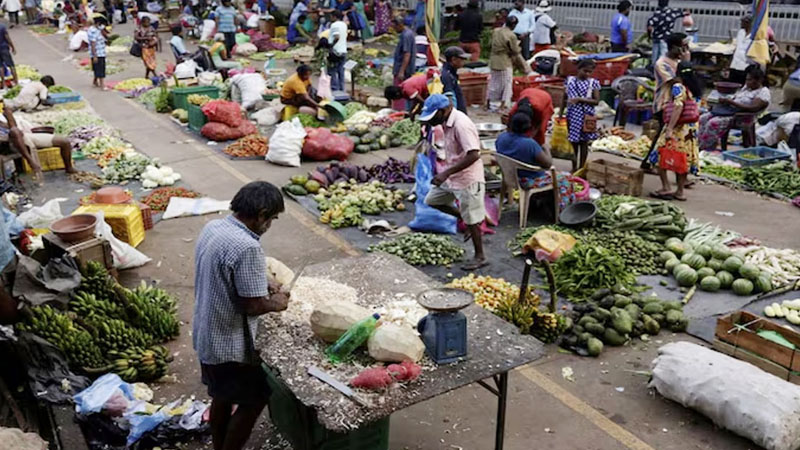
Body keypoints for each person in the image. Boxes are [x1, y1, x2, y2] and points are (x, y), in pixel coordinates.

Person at [193, 181, 289, 450]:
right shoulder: (247, 247)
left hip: (206, 333)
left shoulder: (214, 227)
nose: (269, 225)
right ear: (261, 213)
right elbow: (252, 306)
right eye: (271, 218)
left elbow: (225, 272)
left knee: (222, 395)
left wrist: (263, 280)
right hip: (229, 344)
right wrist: (277, 303)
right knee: (254, 400)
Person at [418, 94, 487, 270]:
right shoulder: (445, 122)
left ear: (443, 111)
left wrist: (446, 172)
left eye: (433, 117)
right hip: (453, 176)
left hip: (468, 178)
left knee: (472, 218)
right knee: (432, 200)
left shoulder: (461, 125)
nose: (431, 121)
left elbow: (474, 154)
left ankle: (480, 256)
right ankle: (467, 220)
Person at [496, 113, 575, 211]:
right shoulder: (529, 144)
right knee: (565, 178)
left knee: (554, 175)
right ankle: (563, 212)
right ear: (528, 128)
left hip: (510, 177)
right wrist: (545, 147)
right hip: (528, 181)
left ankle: (537, 206)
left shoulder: (501, 138)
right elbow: (548, 164)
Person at [648, 61, 702, 201]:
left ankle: (666, 187)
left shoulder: (678, 87)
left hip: (678, 128)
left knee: (659, 155)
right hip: (690, 131)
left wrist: (670, 128)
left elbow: (678, 106)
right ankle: (680, 191)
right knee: (683, 160)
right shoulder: (696, 88)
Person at [641, 32, 687, 170]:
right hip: (665, 103)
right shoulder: (661, 64)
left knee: (670, 136)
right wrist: (686, 63)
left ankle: (655, 164)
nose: (686, 50)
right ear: (674, 47)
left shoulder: (678, 61)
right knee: (662, 135)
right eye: (683, 47)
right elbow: (678, 81)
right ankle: (650, 163)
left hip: (677, 103)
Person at [698, 66, 770, 151]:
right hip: (728, 111)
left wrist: (731, 103)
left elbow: (753, 108)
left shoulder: (763, 92)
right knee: (703, 118)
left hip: (741, 117)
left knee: (713, 123)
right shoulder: (747, 88)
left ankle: (705, 147)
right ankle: (698, 143)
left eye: (750, 80)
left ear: (759, 80)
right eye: (746, 79)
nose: (747, 82)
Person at [0, 103, 76, 181]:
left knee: (64, 142)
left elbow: (14, 127)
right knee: (14, 132)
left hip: (22, 138)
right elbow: (13, 132)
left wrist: (9, 117)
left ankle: (69, 168)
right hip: (7, 144)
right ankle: (30, 161)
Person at [489, 16, 531, 110]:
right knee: (507, 84)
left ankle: (487, 103)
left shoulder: (496, 31)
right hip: (504, 61)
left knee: (493, 83)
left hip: (493, 59)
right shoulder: (511, 35)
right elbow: (515, 51)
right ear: (514, 25)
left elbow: (490, 44)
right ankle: (503, 105)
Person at [565, 59, 600, 171]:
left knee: (584, 143)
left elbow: (596, 101)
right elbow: (564, 97)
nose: (587, 74)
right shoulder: (569, 80)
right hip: (572, 115)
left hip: (586, 116)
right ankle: (574, 166)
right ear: (579, 69)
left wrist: (580, 99)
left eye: (590, 72)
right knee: (573, 142)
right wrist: (561, 113)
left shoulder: (593, 83)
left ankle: (582, 167)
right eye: (585, 71)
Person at [647, 0, 690, 66]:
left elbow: (649, 27)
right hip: (666, 38)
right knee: (663, 56)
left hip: (656, 38)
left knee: (654, 57)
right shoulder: (672, 12)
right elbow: (684, 13)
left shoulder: (656, 14)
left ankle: (653, 70)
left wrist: (649, 36)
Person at [391, 17, 415, 108]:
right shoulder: (406, 34)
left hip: (405, 70)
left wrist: (401, 71)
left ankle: (402, 111)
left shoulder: (406, 36)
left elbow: (407, 54)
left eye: (395, 27)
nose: (394, 29)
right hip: (403, 69)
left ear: (400, 25)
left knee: (401, 93)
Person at [442, 46, 468, 115]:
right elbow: (449, 98)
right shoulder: (447, 75)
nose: (464, 61)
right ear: (453, 59)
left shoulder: (452, 73)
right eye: (462, 59)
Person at [729, 15, 754, 85]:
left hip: (746, 63)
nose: (741, 24)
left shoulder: (754, 35)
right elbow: (737, 46)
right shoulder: (740, 32)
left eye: (743, 22)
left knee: (742, 84)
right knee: (732, 83)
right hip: (735, 62)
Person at [328, 10, 348, 92]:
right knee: (341, 71)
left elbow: (337, 36)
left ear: (335, 17)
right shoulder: (344, 24)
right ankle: (341, 89)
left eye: (331, 16)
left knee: (332, 71)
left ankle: (335, 89)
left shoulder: (334, 25)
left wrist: (331, 46)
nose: (330, 18)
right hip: (343, 50)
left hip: (336, 51)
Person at [88, 15, 108, 90]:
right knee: (100, 68)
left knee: (97, 68)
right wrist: (95, 55)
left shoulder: (98, 29)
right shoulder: (93, 31)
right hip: (98, 52)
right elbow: (93, 43)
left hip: (102, 51)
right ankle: (102, 85)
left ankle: (95, 81)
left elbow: (106, 33)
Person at [0, 22, 17, 87]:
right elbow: (7, 38)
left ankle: (4, 83)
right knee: (11, 65)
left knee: (0, 66)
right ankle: (15, 81)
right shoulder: (2, 27)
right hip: (4, 48)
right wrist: (13, 47)